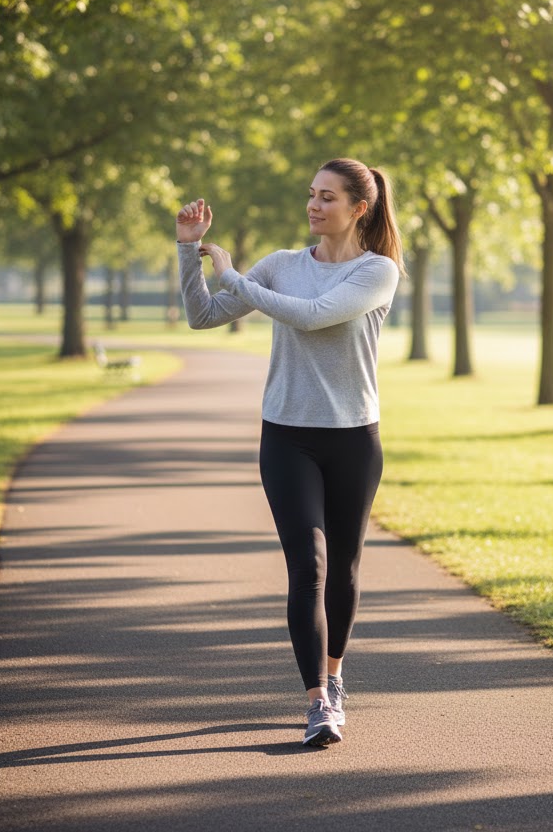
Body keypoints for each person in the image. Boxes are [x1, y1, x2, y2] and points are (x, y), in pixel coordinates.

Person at [174, 158, 405, 748]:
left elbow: (313, 318)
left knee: (344, 570)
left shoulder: (378, 272)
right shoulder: (280, 266)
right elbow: (202, 317)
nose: (313, 205)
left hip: (354, 437)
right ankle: (318, 703)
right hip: (287, 435)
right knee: (308, 566)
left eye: (327, 197)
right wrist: (188, 250)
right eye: (310, 194)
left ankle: (335, 675)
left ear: (359, 208)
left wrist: (231, 276)